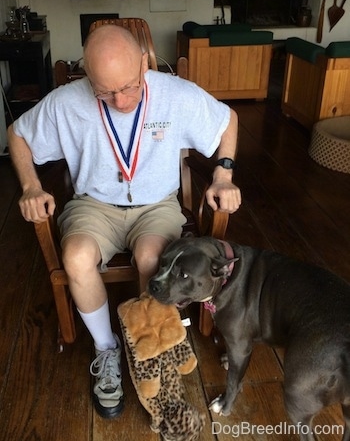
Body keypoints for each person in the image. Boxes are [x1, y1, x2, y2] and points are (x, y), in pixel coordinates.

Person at [7, 24, 241, 419]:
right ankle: (107, 349)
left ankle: (151, 349)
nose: (119, 100)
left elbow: (228, 119)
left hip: (156, 205)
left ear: (145, 64)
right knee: (77, 256)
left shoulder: (174, 93)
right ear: (87, 77)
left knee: (153, 256)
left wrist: (223, 175)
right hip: (93, 205)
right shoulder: (68, 100)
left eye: (129, 86)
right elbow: (18, 134)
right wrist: (30, 186)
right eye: (105, 91)